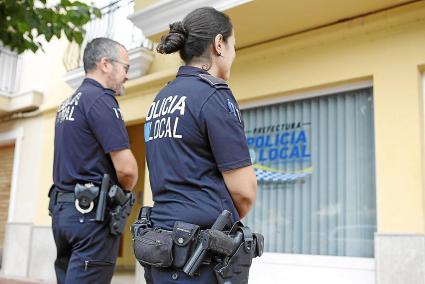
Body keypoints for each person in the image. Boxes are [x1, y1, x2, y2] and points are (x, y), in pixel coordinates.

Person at [143, 7, 257, 283]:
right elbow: (244, 192)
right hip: (200, 260)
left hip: (160, 250)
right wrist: (218, 231)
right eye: (233, 46)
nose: (233, 54)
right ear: (219, 44)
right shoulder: (213, 95)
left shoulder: (160, 100)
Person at [49, 37, 138, 284]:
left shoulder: (67, 104)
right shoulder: (101, 99)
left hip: (64, 214)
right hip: (90, 218)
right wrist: (124, 195)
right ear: (105, 64)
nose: (127, 76)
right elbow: (127, 170)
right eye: (125, 68)